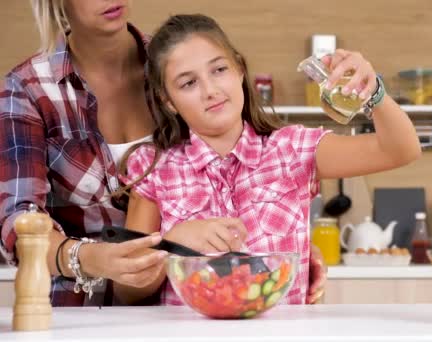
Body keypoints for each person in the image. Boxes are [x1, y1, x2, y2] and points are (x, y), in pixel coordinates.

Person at [0, 0, 328, 307]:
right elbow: (18, 225)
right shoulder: (28, 89)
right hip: (79, 310)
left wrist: (281, 242)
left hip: (184, 312)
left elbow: (237, 161)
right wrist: (91, 258)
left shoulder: (179, 60)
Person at [114, 14, 421, 305]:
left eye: (219, 69)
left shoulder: (292, 150)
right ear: (168, 101)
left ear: (239, 69)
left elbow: (401, 150)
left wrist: (373, 92)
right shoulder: (155, 168)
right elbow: (127, 292)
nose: (210, 90)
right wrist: (170, 243)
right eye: (188, 83)